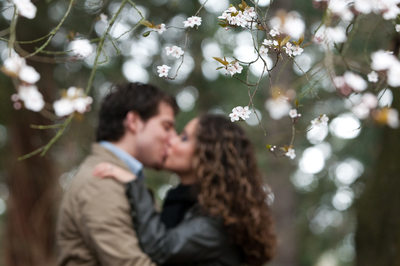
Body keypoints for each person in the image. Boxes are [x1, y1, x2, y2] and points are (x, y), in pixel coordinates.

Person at [94, 114, 277, 266]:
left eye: (183, 138)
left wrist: (134, 186)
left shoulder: (218, 222)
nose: (170, 141)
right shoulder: (182, 202)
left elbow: (161, 249)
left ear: (207, 155)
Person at [56, 82, 179, 266]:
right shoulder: (100, 181)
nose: (173, 139)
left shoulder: (120, 177)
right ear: (133, 121)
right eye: (166, 127)